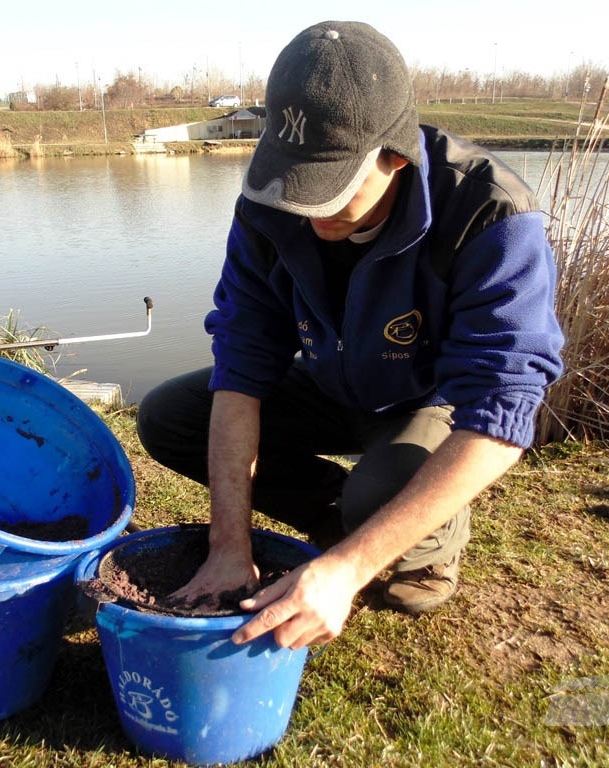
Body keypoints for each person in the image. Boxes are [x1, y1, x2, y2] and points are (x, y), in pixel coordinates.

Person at [136, 20, 564, 650]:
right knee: (169, 417)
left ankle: (416, 537)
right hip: (326, 379)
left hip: (427, 400)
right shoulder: (267, 203)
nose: (308, 208)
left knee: (380, 504)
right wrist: (231, 545)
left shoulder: (491, 213)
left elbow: (500, 416)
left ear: (396, 155)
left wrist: (349, 571)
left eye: (332, 188)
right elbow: (242, 364)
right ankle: (339, 518)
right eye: (297, 181)